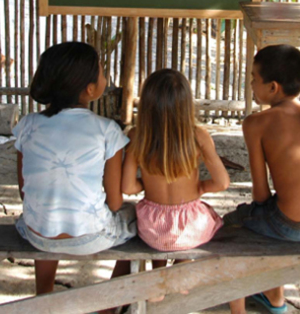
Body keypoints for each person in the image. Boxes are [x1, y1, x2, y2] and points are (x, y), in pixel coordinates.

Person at [12, 42, 136, 313]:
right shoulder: (107, 130)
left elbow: (24, 191)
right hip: (90, 237)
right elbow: (115, 203)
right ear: (90, 89)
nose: (105, 76)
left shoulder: (28, 125)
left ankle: (43, 297)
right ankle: (109, 305)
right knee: (138, 222)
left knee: (48, 212)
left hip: (36, 234)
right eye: (102, 71)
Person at [225, 44, 300, 314]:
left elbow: (260, 196)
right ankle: (273, 295)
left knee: (230, 224)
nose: (251, 85)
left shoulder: (256, 123)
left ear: (273, 87)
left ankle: (247, 303)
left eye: (254, 79)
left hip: (291, 226)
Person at [122, 69, 229, 280]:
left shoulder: (137, 136)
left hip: (152, 229)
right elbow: (222, 183)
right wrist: (199, 187)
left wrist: (147, 183)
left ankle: (159, 272)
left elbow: (127, 187)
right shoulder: (198, 136)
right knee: (193, 232)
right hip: (190, 228)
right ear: (186, 104)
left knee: (159, 236)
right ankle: (181, 270)